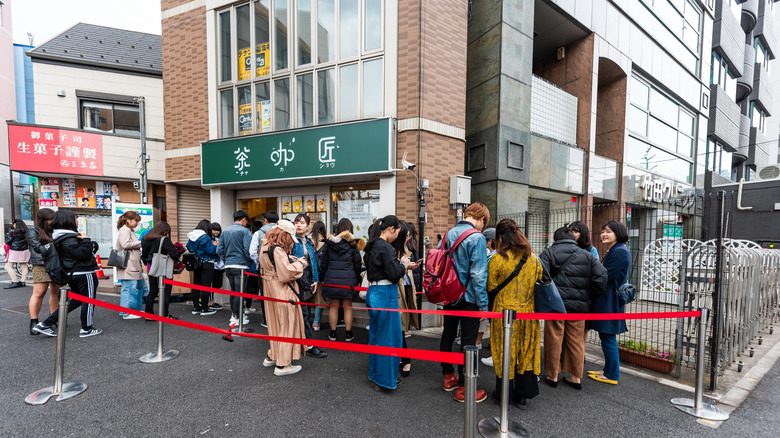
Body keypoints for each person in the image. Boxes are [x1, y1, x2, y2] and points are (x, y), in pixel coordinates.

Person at [540, 227, 607, 390]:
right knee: (576, 341)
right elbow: (602, 277)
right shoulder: (588, 255)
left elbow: (541, 275)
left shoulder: (548, 253)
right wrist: (588, 294)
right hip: (579, 307)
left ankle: (553, 375)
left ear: (555, 240)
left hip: (556, 305)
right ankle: (576, 377)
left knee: (554, 339)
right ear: (573, 239)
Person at [487, 218, 543, 408]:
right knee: (526, 351)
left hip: (504, 313)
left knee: (505, 351)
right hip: (528, 313)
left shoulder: (497, 259)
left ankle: (503, 394)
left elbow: (491, 287)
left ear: (500, 237)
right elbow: (540, 282)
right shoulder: (534, 259)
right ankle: (523, 395)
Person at [440, 202, 490, 403]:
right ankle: (464, 388)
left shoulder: (447, 234)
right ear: (481, 219)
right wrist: (483, 305)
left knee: (448, 334)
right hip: (469, 298)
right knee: (468, 342)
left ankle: (448, 377)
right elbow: (478, 275)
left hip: (449, 295)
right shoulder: (477, 238)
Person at [32, 210, 103, 338]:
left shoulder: (60, 236)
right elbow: (81, 254)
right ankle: (86, 328)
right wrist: (87, 240)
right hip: (84, 272)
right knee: (89, 300)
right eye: (76, 218)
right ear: (68, 220)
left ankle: (45, 324)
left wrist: (90, 244)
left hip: (73, 273)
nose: (77, 220)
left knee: (76, 301)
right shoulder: (69, 237)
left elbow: (77, 252)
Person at [364, 215, 409, 391]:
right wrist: (404, 265)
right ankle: (386, 380)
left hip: (373, 292)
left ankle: (376, 376)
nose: (397, 236)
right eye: (397, 232)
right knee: (390, 339)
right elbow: (393, 273)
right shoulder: (385, 247)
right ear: (391, 229)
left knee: (376, 337)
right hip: (385, 295)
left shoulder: (372, 245)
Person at [259, 224, 308, 376]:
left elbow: (273, 267)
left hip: (269, 289)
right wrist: (301, 263)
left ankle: (273, 356)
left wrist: (287, 259)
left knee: (275, 325)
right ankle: (283, 364)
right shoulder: (278, 250)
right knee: (287, 325)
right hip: (282, 290)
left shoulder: (265, 246)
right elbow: (286, 274)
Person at [588, 220, 631, 385]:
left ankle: (612, 374)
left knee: (608, 336)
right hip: (607, 299)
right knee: (605, 335)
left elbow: (605, 276)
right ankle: (607, 370)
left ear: (618, 233)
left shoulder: (620, 251)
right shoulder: (616, 249)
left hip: (610, 301)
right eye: (603, 231)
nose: (603, 234)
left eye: (608, 231)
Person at [320, 218, 362, 342]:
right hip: (348, 280)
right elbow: (357, 264)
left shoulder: (329, 244)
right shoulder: (353, 245)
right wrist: (358, 279)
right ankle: (348, 334)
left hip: (332, 280)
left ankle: (333, 333)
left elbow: (324, 263)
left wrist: (323, 278)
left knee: (333, 307)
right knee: (348, 307)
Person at [292, 213, 327, 358]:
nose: (298, 225)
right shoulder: (290, 240)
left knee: (305, 313)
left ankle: (305, 343)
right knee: (299, 314)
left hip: (306, 281)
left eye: (302, 222)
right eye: (296, 222)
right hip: (294, 281)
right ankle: (306, 344)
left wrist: (315, 279)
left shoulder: (309, 242)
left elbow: (313, 262)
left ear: (308, 226)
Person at [217, 210, 253, 327]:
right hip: (241, 266)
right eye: (246, 221)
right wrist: (249, 261)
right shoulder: (245, 231)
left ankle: (235, 315)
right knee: (239, 292)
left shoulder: (225, 231)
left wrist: (226, 260)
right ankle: (237, 317)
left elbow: (219, 250)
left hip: (228, 266)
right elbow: (248, 250)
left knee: (234, 291)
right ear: (244, 219)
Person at [27, 208, 60, 335]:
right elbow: (38, 247)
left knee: (55, 291)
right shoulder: (33, 231)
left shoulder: (55, 231)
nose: (52, 222)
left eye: (53, 219)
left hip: (55, 264)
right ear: (42, 220)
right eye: (49, 219)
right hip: (41, 264)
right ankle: (34, 321)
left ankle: (53, 318)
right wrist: (55, 243)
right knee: (39, 292)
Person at [141, 222, 181, 319]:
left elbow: (144, 255)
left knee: (153, 291)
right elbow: (175, 254)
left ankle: (149, 315)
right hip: (163, 269)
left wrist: (149, 262)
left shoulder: (145, 238)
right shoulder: (164, 239)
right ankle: (164, 314)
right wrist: (178, 251)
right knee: (166, 292)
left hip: (151, 268)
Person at [249, 211, 278, 326]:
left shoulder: (258, 233)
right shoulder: (282, 232)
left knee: (265, 293)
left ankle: (266, 320)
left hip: (263, 268)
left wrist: (260, 262)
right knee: (278, 293)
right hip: (279, 268)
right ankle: (277, 319)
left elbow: (252, 252)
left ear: (265, 220)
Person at [116, 211, 145, 320]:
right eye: (136, 221)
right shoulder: (125, 229)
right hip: (128, 264)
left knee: (136, 287)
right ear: (128, 220)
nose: (137, 223)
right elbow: (125, 244)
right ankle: (127, 312)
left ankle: (135, 310)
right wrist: (141, 242)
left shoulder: (128, 229)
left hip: (132, 264)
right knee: (130, 288)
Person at [186, 219, 218, 316]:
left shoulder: (191, 237)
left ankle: (196, 307)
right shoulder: (206, 237)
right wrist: (215, 245)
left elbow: (188, 247)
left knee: (196, 285)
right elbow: (211, 252)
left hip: (196, 263)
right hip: (207, 263)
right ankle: (205, 308)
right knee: (205, 286)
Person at [479, 227, 497, 367]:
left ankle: (496, 355)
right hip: (495, 296)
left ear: (490, 242)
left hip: (493, 296)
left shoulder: (493, 257)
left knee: (497, 325)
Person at [309, 220, 328, 330]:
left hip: (306, 274)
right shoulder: (324, 242)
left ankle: (305, 320)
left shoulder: (306, 240)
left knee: (306, 298)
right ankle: (316, 323)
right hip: (320, 275)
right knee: (319, 300)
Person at [4, 219, 30, 288]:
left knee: (8, 266)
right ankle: (22, 282)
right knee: (23, 266)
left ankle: (14, 282)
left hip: (14, 251)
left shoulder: (12, 232)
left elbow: (7, 242)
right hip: (24, 250)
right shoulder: (27, 232)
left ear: (15, 224)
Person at [209, 222, 224, 310]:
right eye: (214, 230)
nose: (216, 232)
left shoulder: (222, 238)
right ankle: (211, 302)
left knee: (218, 283)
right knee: (211, 283)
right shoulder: (209, 239)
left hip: (221, 264)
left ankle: (206, 298)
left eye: (217, 230)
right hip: (212, 263)